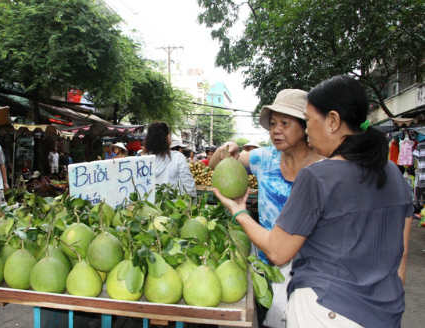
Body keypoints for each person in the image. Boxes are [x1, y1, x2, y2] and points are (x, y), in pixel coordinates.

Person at [213, 76, 413, 328]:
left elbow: (277, 251)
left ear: (332, 121)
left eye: (308, 121)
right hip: (385, 314)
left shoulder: (318, 176)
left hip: (324, 313)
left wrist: (239, 212)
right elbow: (402, 253)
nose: (307, 131)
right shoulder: (394, 173)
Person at [210, 89, 323, 328]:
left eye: (285, 122)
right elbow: (217, 165)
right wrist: (225, 149)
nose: (276, 130)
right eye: (272, 123)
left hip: (312, 271)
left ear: (305, 126)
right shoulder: (263, 158)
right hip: (265, 263)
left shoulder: (325, 167)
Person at [143, 121, 196, 197]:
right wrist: (193, 201)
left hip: (148, 206)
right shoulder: (178, 158)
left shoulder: (142, 160)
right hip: (172, 206)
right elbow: (188, 184)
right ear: (168, 137)